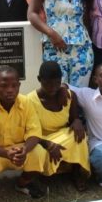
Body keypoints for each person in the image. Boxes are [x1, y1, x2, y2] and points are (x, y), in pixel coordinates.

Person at [0, 66, 47, 202]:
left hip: (21, 151)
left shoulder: (26, 103)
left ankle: (23, 184)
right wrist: (7, 153)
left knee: (39, 152)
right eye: (4, 86)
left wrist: (24, 149)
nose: (10, 90)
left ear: (19, 86)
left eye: (14, 86)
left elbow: (34, 133)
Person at [28, 0, 94, 87]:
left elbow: (87, 19)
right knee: (57, 92)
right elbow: (32, 14)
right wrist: (51, 33)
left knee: (79, 94)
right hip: (55, 48)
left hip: (82, 50)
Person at [27, 61, 90, 191]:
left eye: (56, 83)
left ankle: (76, 172)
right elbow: (29, 133)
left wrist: (77, 121)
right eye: (48, 83)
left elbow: (74, 120)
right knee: (36, 149)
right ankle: (43, 174)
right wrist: (48, 144)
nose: (52, 88)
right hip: (41, 140)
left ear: (61, 80)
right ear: (39, 79)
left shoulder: (68, 96)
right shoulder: (29, 100)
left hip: (63, 137)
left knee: (78, 134)